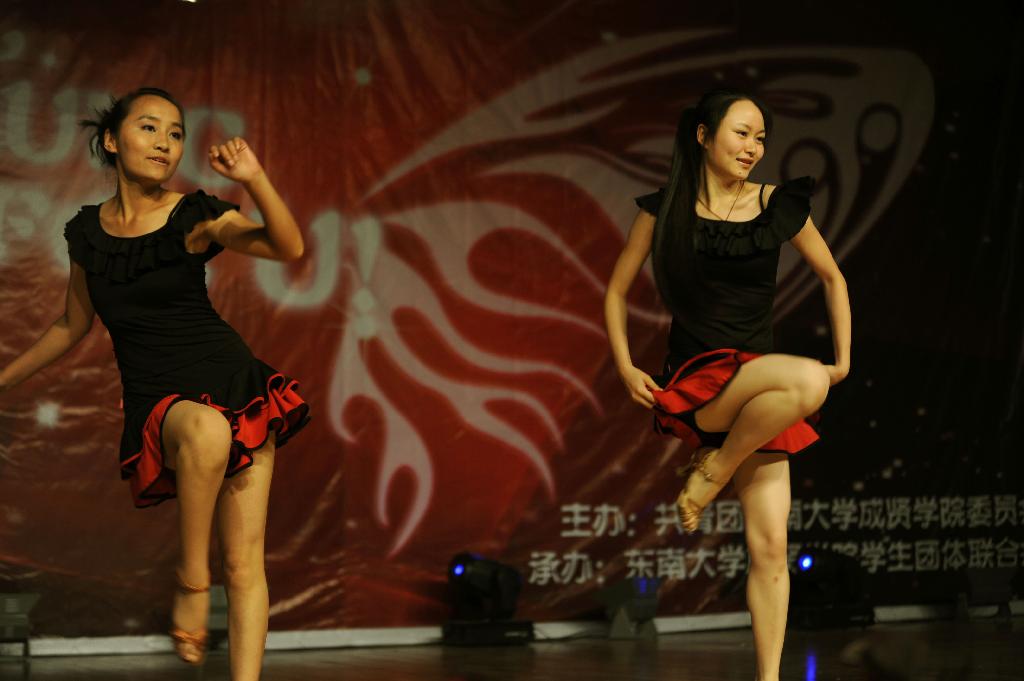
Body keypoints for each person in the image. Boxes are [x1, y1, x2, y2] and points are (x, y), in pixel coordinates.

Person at [0, 87, 310, 680]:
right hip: (158, 398)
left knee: (245, 563)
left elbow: (287, 246)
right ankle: (191, 579)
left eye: (175, 133)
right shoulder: (87, 233)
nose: (165, 143)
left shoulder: (195, 215)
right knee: (206, 429)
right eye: (149, 128)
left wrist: (254, 178)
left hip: (233, 379)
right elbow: (71, 323)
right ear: (112, 141)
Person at [604, 89, 851, 681]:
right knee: (807, 378)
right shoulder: (665, 209)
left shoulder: (776, 204)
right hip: (703, 383)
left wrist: (845, 361)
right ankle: (712, 472)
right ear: (703, 135)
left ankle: (768, 677)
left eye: (761, 138)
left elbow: (832, 277)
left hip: (763, 398)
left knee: (770, 549)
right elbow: (614, 291)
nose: (753, 147)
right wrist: (625, 365)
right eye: (742, 133)